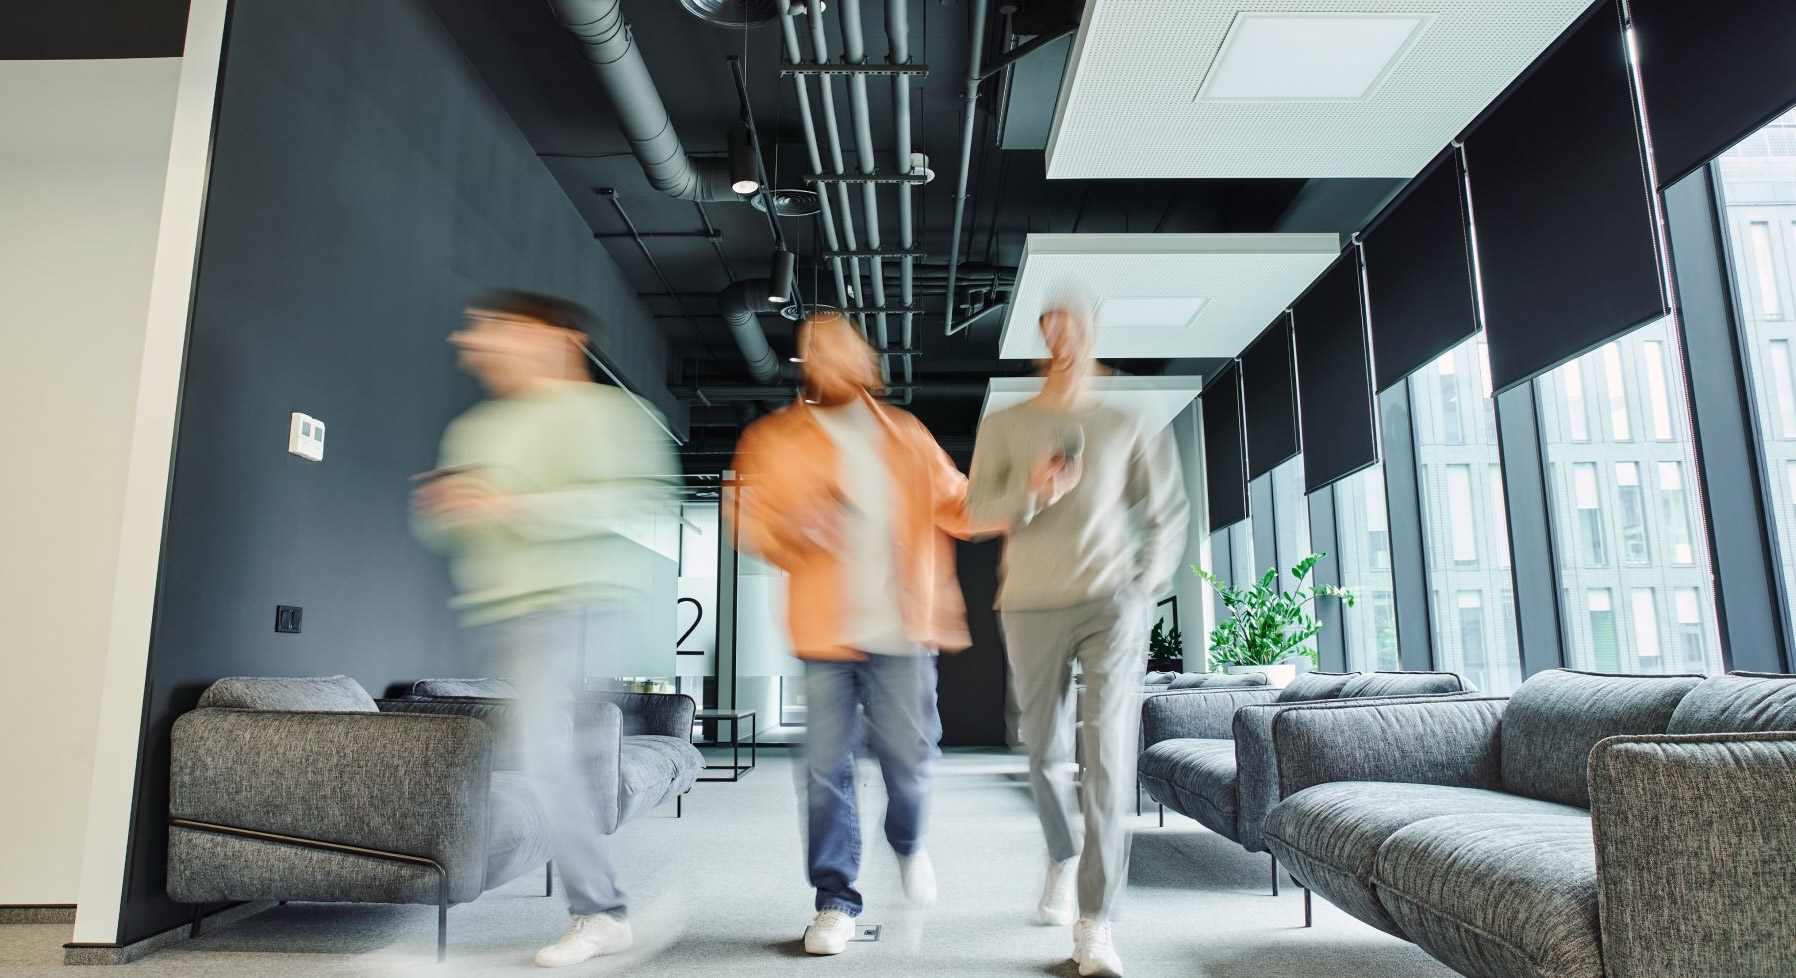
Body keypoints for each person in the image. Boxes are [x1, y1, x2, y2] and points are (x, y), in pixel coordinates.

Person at [411, 289, 676, 969]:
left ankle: (601, 911)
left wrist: (513, 505)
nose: (478, 343)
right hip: (508, 611)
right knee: (552, 754)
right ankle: (597, 905)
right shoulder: (481, 428)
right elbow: (442, 523)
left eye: (499, 331)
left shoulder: (609, 415)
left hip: (575, 601)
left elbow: (629, 497)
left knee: (546, 752)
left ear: (559, 341)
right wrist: (448, 506)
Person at [729, 311, 977, 956]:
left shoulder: (906, 434)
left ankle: (909, 841)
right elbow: (749, 519)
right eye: (813, 350)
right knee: (823, 771)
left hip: (903, 627)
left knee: (911, 759)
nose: (827, 361)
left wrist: (1027, 492)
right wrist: (794, 531)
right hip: (824, 633)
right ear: (804, 363)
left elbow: (960, 504)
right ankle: (835, 900)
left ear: (868, 363)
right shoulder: (775, 439)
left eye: (840, 350)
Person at [967, 301, 1188, 978]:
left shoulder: (1126, 419)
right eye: (1050, 331)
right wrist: (1030, 492)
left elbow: (1166, 509)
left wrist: (1142, 584)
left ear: (1092, 335)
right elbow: (974, 512)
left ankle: (1097, 922)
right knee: (1041, 749)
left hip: (1110, 606)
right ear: (1042, 342)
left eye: (1075, 329)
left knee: (1109, 755)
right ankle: (1061, 855)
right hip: (1030, 603)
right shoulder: (1008, 424)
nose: (1063, 342)